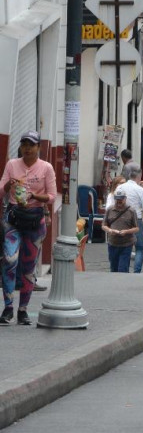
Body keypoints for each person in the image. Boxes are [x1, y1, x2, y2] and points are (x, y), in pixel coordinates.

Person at [0, 131, 57, 325]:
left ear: (38, 147)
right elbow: (1, 191)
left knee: (28, 267)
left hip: (35, 219)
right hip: (14, 218)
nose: (27, 148)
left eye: (31, 145)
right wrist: (8, 184)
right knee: (9, 260)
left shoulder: (46, 168)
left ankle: (23, 309)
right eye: (24, 144)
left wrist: (34, 196)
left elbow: (51, 196)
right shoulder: (12, 165)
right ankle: (8, 308)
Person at [119, 162, 143, 273]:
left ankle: (123, 270)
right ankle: (136, 271)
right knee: (139, 247)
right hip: (136, 219)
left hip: (122, 219)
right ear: (139, 176)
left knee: (125, 246)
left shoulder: (120, 187)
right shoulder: (140, 190)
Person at [102, 186, 138, 273]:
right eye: (117, 199)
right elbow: (104, 225)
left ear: (125, 199)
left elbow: (136, 228)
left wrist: (126, 232)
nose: (119, 201)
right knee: (113, 269)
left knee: (123, 269)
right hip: (112, 243)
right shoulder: (110, 210)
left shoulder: (131, 211)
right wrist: (110, 231)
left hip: (126, 244)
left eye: (121, 199)